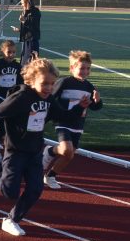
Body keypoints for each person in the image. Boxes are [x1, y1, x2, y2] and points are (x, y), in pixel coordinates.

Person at [0, 58, 59, 236]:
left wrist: (82, 106)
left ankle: (11, 219)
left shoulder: (50, 99)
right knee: (10, 192)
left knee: (35, 189)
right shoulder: (21, 97)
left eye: (52, 84)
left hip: (35, 151)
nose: (49, 88)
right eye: (44, 83)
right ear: (31, 81)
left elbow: (62, 115)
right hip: (16, 150)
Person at [42, 49, 102, 189]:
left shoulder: (89, 87)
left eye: (88, 68)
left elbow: (95, 107)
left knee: (69, 155)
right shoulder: (64, 82)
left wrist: (97, 101)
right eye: (82, 68)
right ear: (72, 68)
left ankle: (51, 175)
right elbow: (51, 98)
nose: (85, 71)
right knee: (66, 149)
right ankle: (50, 152)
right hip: (63, 121)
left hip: (78, 124)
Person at [12, 0, 41, 65]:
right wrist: (19, 30)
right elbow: (27, 27)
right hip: (26, 40)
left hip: (32, 41)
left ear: (27, 2)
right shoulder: (25, 12)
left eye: (22, 3)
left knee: (31, 62)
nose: (21, 5)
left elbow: (33, 26)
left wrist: (23, 21)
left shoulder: (35, 12)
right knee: (23, 62)